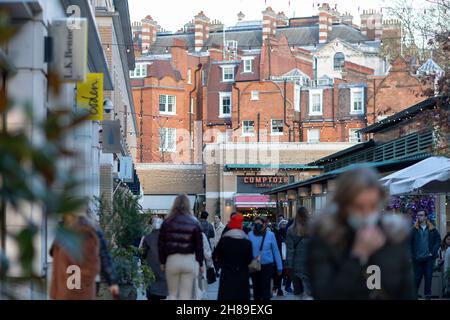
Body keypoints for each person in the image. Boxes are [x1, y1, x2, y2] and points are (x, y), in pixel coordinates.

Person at [308, 167, 416, 300]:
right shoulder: (324, 239)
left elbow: (407, 291)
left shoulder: (393, 235)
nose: (366, 214)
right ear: (343, 205)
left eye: (372, 205)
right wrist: (358, 256)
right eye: (358, 206)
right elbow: (324, 293)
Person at [158, 195, 204, 300]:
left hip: (172, 260)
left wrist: (162, 262)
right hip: (189, 260)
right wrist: (200, 263)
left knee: (172, 294)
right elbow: (199, 246)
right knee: (186, 295)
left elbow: (161, 244)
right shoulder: (194, 222)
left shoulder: (167, 222)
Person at [50, 212, 100, 300]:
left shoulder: (84, 232)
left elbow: (91, 266)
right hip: (60, 294)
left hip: (75, 295)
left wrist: (76, 290)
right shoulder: (63, 232)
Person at [214, 213, 253, 300]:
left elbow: (217, 257)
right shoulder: (246, 243)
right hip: (242, 276)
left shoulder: (224, 241)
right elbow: (249, 260)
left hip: (227, 276)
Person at [248, 216, 283, 300]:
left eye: (259, 224)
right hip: (254, 265)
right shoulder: (250, 234)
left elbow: (275, 251)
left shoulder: (270, 235)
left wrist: (279, 267)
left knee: (266, 289)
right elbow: (247, 250)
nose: (257, 225)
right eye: (255, 224)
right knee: (256, 289)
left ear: (264, 224)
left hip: (267, 266)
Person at [410, 209, 441, 299]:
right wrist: (412, 255)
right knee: (416, 278)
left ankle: (427, 295)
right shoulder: (413, 229)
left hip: (429, 258)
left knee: (428, 277)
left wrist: (433, 251)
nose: (419, 217)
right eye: (418, 215)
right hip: (417, 258)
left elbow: (438, 241)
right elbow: (408, 243)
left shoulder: (433, 229)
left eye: (421, 215)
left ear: (426, 217)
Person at [286, 207, 312, 299]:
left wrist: (288, 266)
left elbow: (290, 250)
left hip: (295, 266)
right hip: (310, 265)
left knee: (298, 293)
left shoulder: (291, 230)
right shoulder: (313, 229)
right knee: (309, 293)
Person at [142, 217, 168, 300]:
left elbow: (142, 252)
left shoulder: (148, 237)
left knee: (151, 287)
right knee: (161, 289)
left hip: (151, 267)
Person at [273, 219, 288, 296]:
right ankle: (278, 287)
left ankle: (280, 286)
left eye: (285, 224)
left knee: (284, 272)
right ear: (280, 225)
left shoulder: (288, 234)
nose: (284, 226)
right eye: (283, 224)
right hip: (279, 255)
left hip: (286, 255)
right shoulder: (276, 234)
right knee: (279, 272)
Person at [438, 232, 450, 297]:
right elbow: (438, 259)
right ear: (445, 239)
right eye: (448, 239)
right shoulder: (441, 248)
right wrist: (441, 260)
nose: (449, 241)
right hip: (442, 268)